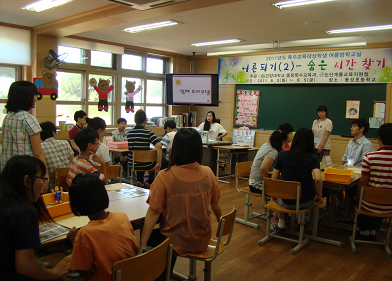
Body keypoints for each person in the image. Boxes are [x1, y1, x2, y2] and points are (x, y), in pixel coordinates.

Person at [140, 128, 222, 271]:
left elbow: (154, 211)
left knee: (152, 238)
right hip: (202, 239)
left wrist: (142, 245)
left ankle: (162, 274)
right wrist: (221, 222)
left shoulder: (165, 176)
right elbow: (214, 203)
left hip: (175, 241)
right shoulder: (208, 172)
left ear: (175, 148)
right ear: (199, 149)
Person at [0, 155, 71, 280]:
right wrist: (54, 274)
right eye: (43, 179)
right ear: (26, 181)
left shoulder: (6, 203)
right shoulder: (23, 212)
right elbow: (25, 266)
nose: (44, 186)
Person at [67, 173, 138, 281]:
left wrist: (75, 242)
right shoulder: (122, 216)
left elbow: (85, 274)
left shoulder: (85, 233)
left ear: (76, 204)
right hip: (132, 275)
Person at [271, 127, 323, 232]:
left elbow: (274, 179)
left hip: (285, 201)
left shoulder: (282, 155)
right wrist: (320, 196)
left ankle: (281, 224)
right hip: (305, 201)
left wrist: (273, 195)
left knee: (281, 192)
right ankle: (300, 222)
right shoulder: (313, 158)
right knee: (306, 191)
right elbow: (317, 179)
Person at [355, 123, 392, 241]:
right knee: (382, 193)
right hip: (390, 206)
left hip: (369, 204)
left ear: (379, 138)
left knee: (359, 195)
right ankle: (374, 229)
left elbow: (363, 184)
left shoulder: (370, 157)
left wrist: (357, 197)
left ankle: (364, 229)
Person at [1, 81, 47, 172]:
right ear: (26, 97)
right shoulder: (28, 118)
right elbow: (38, 153)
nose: (36, 99)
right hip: (25, 171)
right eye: (34, 95)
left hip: (7, 169)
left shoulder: (7, 117)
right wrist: (44, 174)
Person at [337, 118, 375, 222]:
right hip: (348, 172)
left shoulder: (367, 145)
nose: (351, 128)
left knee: (350, 188)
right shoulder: (351, 142)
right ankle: (342, 208)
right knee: (335, 185)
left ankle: (349, 215)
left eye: (354, 126)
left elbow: (366, 165)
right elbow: (345, 157)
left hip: (359, 175)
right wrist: (340, 170)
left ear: (362, 129)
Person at [127, 109, 162, 188]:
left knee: (139, 159)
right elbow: (159, 146)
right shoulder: (148, 133)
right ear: (145, 121)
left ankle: (139, 180)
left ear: (135, 120)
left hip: (133, 164)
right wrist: (159, 162)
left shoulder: (129, 133)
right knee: (154, 162)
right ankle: (149, 181)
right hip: (147, 164)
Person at [40, 121, 74, 191]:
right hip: (67, 184)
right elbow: (73, 162)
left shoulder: (40, 148)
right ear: (53, 132)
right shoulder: (65, 143)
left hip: (50, 188)